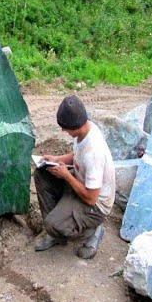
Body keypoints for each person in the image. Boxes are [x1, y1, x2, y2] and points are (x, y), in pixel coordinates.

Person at [34, 95, 116, 259]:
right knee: (41, 174)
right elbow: (77, 154)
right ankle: (57, 233)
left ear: (75, 126)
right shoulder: (86, 130)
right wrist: (57, 160)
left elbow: (92, 198)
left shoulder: (94, 152)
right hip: (81, 183)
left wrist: (66, 176)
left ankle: (91, 232)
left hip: (96, 206)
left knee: (52, 224)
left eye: (65, 128)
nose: (64, 131)